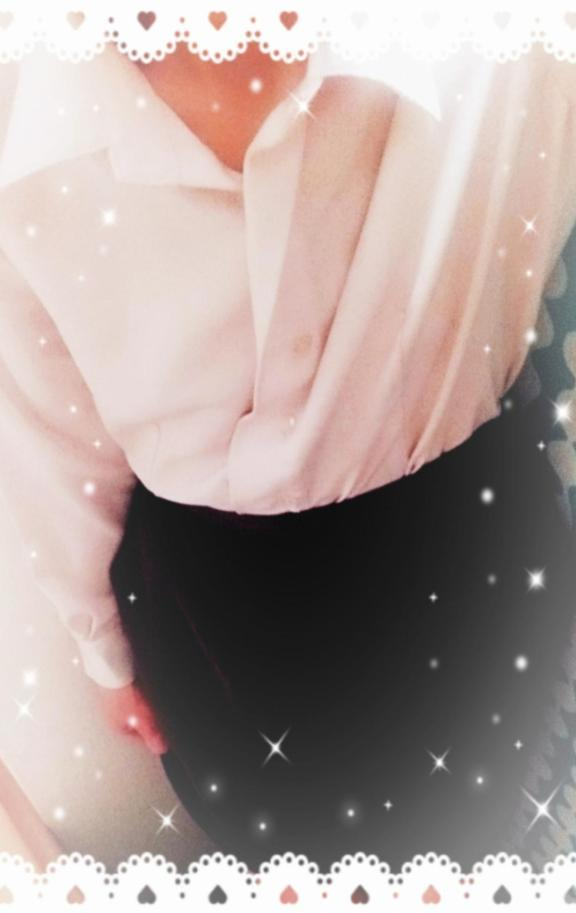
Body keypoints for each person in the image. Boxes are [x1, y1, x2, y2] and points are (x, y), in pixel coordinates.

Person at [0, 36, 576, 869]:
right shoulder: (24, 111)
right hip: (211, 627)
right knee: (286, 850)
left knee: (489, 831)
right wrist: (103, 648)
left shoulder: (509, 46)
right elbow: (50, 428)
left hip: (472, 565)